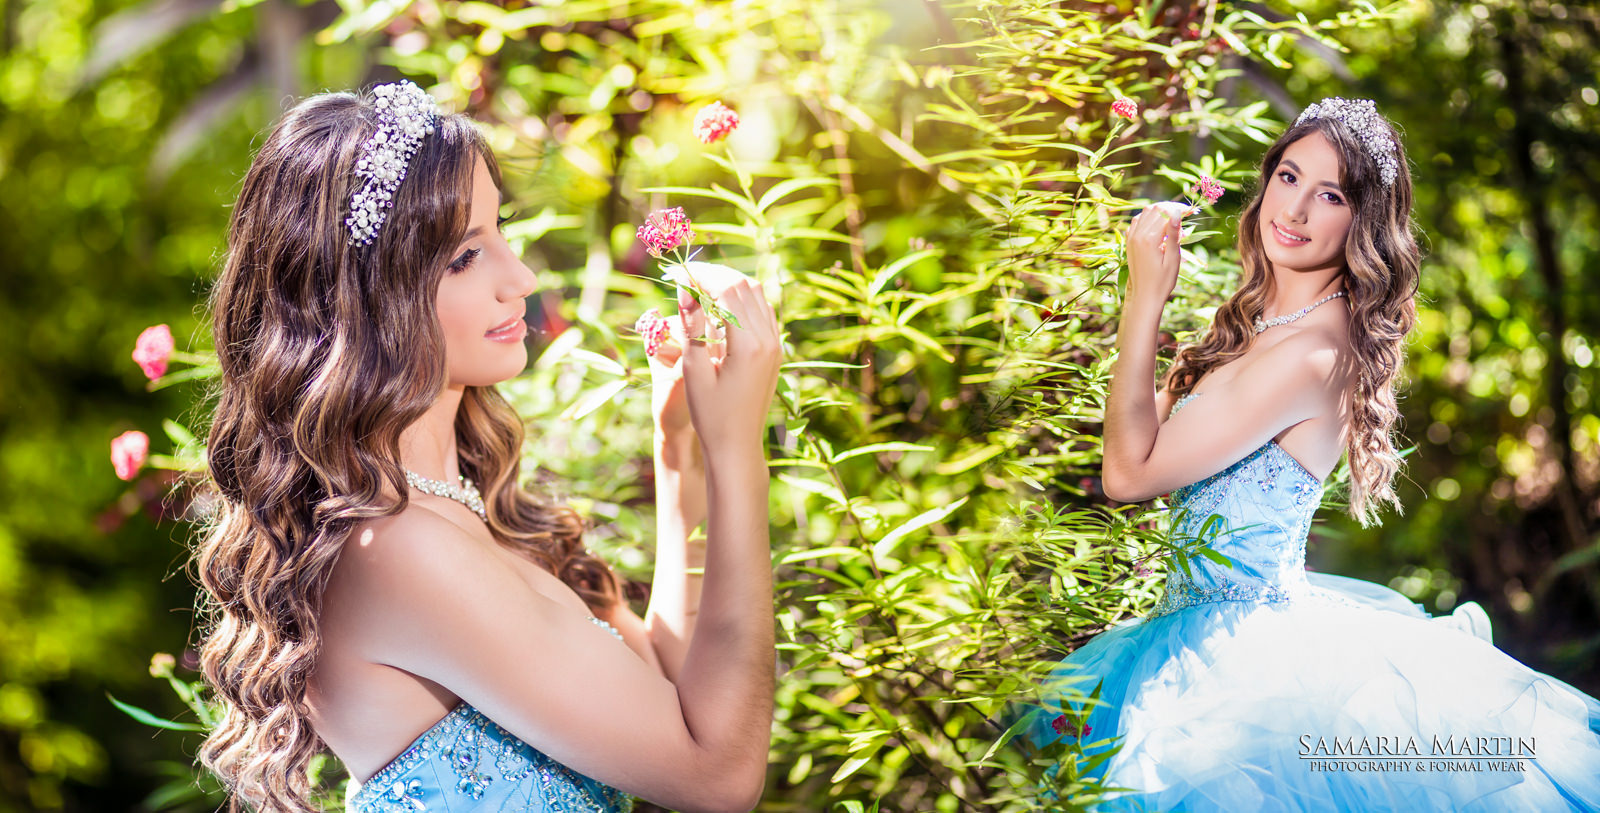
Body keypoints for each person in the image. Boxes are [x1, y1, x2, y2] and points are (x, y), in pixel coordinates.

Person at [193, 81, 782, 813]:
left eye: (502, 229)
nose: (521, 278)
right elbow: (718, 775)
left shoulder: (466, 513)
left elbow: (672, 685)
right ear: (372, 299)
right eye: (467, 256)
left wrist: (679, 451)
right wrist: (739, 459)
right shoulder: (397, 550)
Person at [1026, 98, 1600, 810]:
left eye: (1329, 195)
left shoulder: (1312, 352)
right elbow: (1151, 439)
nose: (1294, 210)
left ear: (1361, 222)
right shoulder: (1260, 326)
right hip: (1188, 637)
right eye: (1289, 177)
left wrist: (1143, 302)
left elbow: (1127, 472)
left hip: (1246, 669)